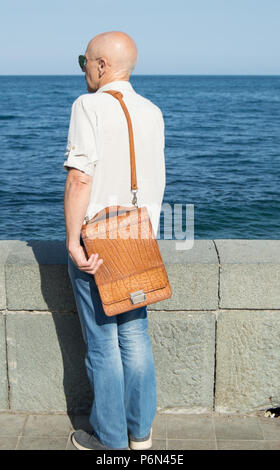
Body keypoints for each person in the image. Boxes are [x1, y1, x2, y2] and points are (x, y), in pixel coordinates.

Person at [63, 31, 166, 450]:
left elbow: (80, 177)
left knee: (103, 344)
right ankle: (140, 434)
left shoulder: (88, 105)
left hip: (100, 243)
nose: (84, 68)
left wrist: (74, 241)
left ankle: (110, 442)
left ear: (101, 65)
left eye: (84, 61)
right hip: (140, 238)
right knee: (136, 339)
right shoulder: (152, 110)